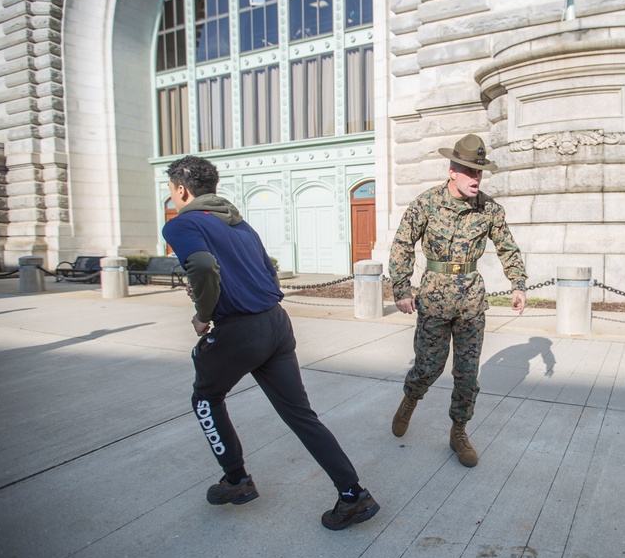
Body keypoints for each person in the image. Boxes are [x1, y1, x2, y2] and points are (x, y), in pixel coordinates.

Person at [163, 155, 379, 530]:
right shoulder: (241, 225)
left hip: (238, 330)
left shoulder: (182, 225)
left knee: (205, 398)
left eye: (171, 191)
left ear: (181, 190)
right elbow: (269, 271)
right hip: (276, 324)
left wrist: (203, 314)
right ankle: (353, 494)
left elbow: (200, 265)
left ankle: (236, 480)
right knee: (300, 414)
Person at [389, 134, 527, 467]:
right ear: (452, 171)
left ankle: (459, 433)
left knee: (467, 374)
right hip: (434, 299)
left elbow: (507, 247)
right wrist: (402, 288)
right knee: (428, 367)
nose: (476, 179)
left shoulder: (490, 209)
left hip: (471, 304)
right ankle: (410, 398)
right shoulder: (427, 203)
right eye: (469, 171)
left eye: (479, 172)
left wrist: (518, 283)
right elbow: (402, 245)